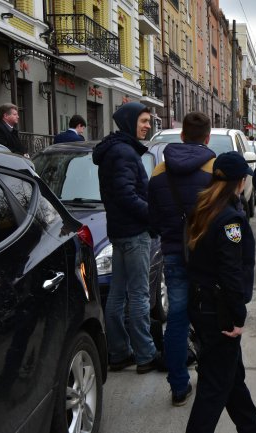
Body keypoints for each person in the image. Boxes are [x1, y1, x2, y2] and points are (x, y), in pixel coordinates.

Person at [185, 151, 256, 433]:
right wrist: (238, 316)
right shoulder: (230, 219)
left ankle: (250, 427)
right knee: (215, 384)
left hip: (201, 302)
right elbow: (230, 271)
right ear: (239, 181)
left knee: (231, 374)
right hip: (218, 310)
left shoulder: (203, 207)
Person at [148, 111, 215, 406]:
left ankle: (178, 386)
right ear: (208, 137)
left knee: (176, 318)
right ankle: (211, 376)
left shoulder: (159, 171)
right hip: (207, 258)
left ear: (183, 135)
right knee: (210, 317)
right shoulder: (216, 169)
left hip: (174, 254)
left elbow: (152, 219)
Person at [92, 101, 160, 374]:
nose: (147, 126)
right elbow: (126, 195)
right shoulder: (123, 152)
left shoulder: (117, 149)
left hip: (120, 232)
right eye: (143, 121)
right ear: (130, 121)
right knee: (139, 296)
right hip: (133, 233)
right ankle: (145, 355)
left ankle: (119, 353)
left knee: (118, 295)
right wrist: (153, 215)